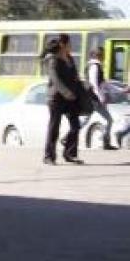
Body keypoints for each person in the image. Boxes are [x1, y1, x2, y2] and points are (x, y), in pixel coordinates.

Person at [43, 33, 83, 165]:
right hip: (56, 98)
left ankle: (70, 153)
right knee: (54, 126)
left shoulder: (70, 58)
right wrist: (66, 92)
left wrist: (81, 87)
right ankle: (49, 156)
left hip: (71, 98)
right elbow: (55, 79)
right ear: (62, 45)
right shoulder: (53, 59)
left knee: (76, 125)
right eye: (69, 44)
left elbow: (75, 76)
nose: (71, 46)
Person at [87, 47, 118, 150]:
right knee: (109, 119)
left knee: (85, 120)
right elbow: (94, 84)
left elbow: (105, 84)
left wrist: (121, 90)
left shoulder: (97, 66)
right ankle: (105, 141)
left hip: (93, 99)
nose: (104, 56)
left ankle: (66, 138)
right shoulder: (94, 66)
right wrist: (101, 98)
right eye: (102, 54)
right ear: (97, 55)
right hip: (94, 99)